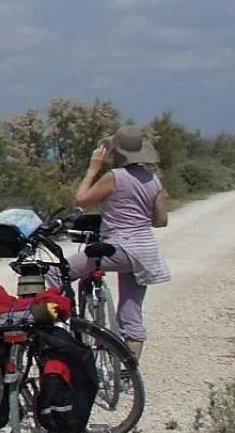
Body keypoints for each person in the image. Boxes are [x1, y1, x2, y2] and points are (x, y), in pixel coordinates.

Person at [67, 125, 170, 359]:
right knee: (131, 315)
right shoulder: (154, 179)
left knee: (59, 271)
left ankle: (57, 324)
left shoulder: (114, 177)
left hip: (119, 248)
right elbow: (161, 221)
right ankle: (128, 372)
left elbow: (81, 200)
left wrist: (93, 169)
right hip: (144, 253)